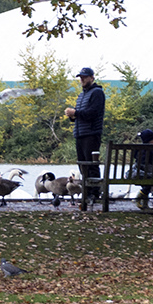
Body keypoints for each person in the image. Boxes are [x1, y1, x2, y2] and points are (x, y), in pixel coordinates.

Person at [63, 65, 105, 209]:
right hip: (80, 134)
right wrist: (71, 116)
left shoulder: (97, 93)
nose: (82, 79)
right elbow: (80, 115)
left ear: (92, 78)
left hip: (92, 134)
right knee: (82, 165)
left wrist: (76, 113)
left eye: (85, 77)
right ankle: (87, 192)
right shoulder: (82, 95)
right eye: (81, 77)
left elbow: (93, 113)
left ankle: (94, 192)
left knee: (91, 164)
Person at [130, 127, 153, 209]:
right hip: (146, 173)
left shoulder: (139, 149)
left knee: (148, 183)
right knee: (150, 181)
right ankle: (139, 198)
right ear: (150, 140)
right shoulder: (150, 150)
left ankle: (144, 204)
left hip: (140, 173)